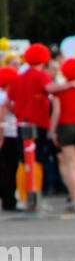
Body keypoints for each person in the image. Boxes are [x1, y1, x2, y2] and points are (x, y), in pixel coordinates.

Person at [49, 56, 75, 212]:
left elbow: (56, 112)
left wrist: (53, 130)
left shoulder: (61, 91)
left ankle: (74, 200)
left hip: (66, 125)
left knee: (70, 165)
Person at [13, 42, 53, 207]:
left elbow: (9, 100)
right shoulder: (42, 75)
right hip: (39, 123)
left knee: (23, 161)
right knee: (36, 160)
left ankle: (23, 197)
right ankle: (33, 196)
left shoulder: (19, 78)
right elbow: (51, 89)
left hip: (22, 122)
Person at [0, 66, 20, 211]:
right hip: (9, 134)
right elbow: (2, 117)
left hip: (8, 133)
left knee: (7, 168)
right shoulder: (5, 96)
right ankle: (9, 200)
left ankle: (8, 199)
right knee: (10, 168)